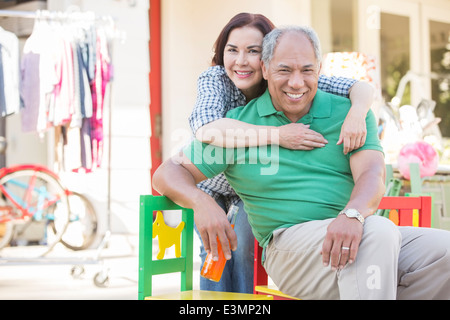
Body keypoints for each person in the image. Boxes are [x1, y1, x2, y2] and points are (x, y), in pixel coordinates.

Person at [153, 25, 450, 299]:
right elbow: (167, 173)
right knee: (378, 232)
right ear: (265, 69)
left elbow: (371, 172)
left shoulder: (350, 114)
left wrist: (352, 215)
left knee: (443, 251)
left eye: (307, 70)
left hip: (355, 229)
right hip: (289, 247)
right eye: (284, 70)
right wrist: (200, 202)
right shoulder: (239, 128)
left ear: (319, 69)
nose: (297, 82)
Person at [187, 12, 375, 293]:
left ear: (266, 58)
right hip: (218, 184)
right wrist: (278, 135)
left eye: (252, 51)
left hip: (254, 188)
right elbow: (205, 128)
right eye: (232, 50)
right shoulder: (217, 79)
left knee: (243, 246)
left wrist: (358, 113)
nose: (241, 61)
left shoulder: (289, 75)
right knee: (217, 253)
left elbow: (358, 87)